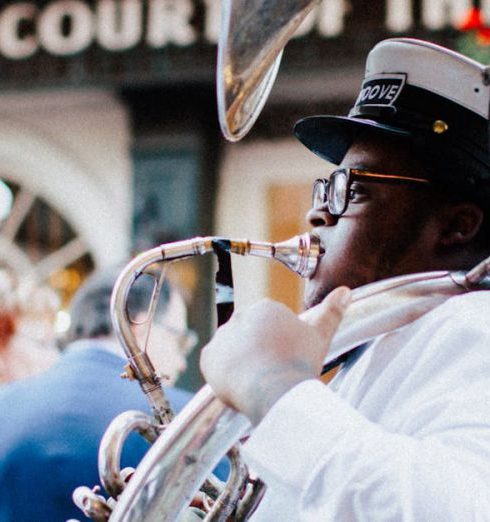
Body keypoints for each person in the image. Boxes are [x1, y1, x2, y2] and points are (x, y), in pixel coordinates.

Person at [200, 38, 490, 519]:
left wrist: (277, 389)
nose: (317, 212)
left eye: (349, 189)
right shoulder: (378, 346)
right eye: (325, 187)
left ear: (457, 225)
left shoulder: (475, 328)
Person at [0, 264, 197, 522]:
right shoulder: (187, 420)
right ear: (141, 323)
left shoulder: (5, 405)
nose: (181, 362)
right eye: (180, 339)